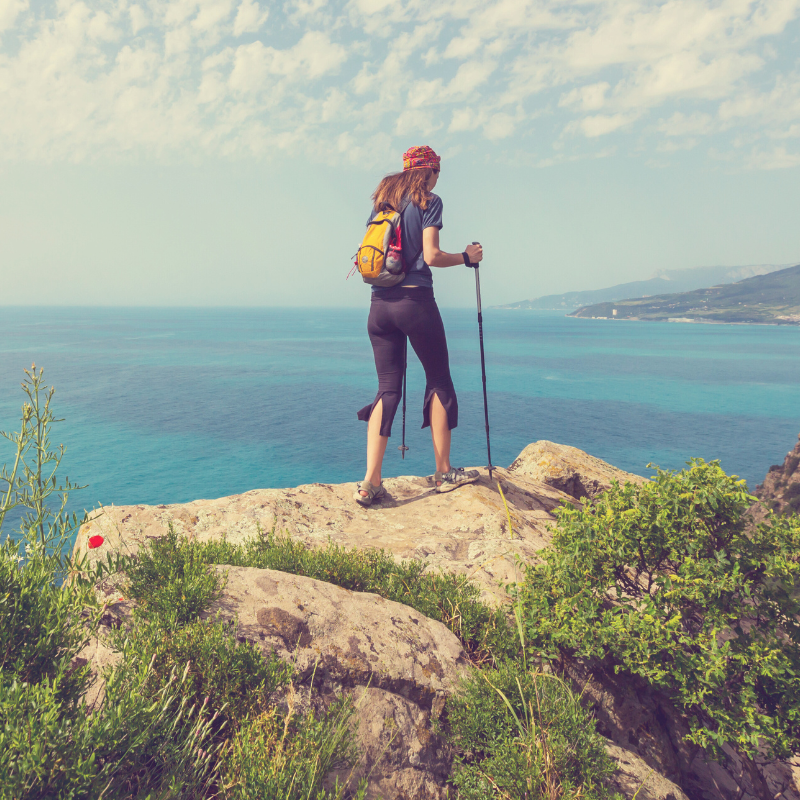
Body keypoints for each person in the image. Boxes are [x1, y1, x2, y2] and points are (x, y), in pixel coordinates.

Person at [354, 145, 484, 506]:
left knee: (387, 387)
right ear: (427, 171)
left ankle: (370, 483)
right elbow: (431, 256)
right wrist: (466, 257)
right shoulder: (430, 200)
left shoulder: (383, 201)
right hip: (415, 303)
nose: (438, 178)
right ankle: (443, 473)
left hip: (379, 307)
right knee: (439, 379)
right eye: (437, 172)